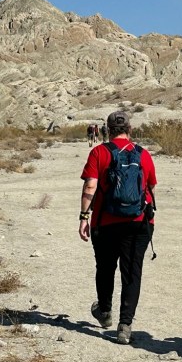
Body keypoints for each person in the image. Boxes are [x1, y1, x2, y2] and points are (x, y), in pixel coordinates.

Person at [78, 110, 157, 345]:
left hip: (105, 222)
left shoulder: (99, 152)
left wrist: (84, 216)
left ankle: (104, 311)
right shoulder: (143, 154)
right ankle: (125, 325)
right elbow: (151, 186)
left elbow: (90, 186)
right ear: (130, 130)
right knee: (132, 273)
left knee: (105, 268)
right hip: (139, 223)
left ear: (107, 131)